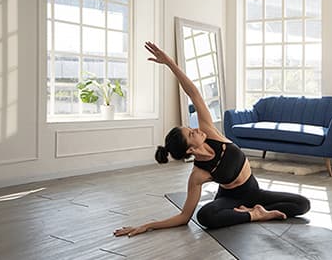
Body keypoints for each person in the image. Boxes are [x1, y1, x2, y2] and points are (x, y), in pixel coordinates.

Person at [113, 41, 310, 238]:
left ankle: (250, 211)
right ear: (190, 150)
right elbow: (184, 217)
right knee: (205, 216)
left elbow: (193, 93)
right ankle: (254, 215)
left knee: (302, 204)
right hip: (231, 199)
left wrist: (170, 63)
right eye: (191, 133)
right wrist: (148, 225)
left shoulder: (209, 131)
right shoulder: (198, 174)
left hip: (254, 192)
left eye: (191, 128)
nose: (196, 129)